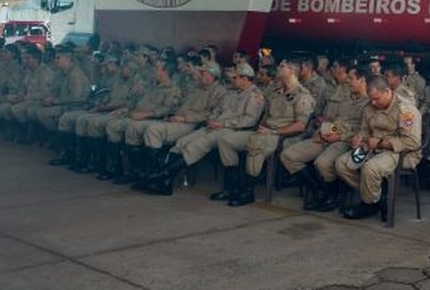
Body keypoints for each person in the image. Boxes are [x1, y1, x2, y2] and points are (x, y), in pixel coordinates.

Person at [145, 64, 265, 197]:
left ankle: (163, 174)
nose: (232, 80)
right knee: (183, 142)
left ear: (245, 79)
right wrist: (213, 120)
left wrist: (223, 123)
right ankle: (165, 183)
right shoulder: (231, 93)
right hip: (215, 126)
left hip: (233, 129)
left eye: (235, 78)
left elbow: (249, 120)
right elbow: (217, 110)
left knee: (198, 144)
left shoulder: (255, 95)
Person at [215, 60, 315, 205]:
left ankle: (248, 191)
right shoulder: (275, 93)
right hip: (264, 132)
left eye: (282, 66)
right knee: (226, 140)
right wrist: (261, 127)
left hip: (282, 136)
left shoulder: (302, 95)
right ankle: (231, 187)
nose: (278, 69)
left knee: (257, 143)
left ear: (292, 71)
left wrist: (274, 131)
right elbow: (266, 116)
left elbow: (300, 126)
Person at [279, 65, 369, 211]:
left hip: (346, 141)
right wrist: (324, 132)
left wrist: (339, 135)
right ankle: (318, 191)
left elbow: (363, 131)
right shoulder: (347, 100)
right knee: (289, 155)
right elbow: (335, 122)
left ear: (362, 80)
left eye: (351, 78)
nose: (348, 81)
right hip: (329, 136)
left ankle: (333, 195)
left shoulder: (370, 103)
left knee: (323, 163)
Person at [335, 74, 422, 219]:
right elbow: (364, 129)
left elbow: (413, 142)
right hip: (371, 148)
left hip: (400, 152)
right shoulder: (369, 106)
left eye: (377, 98)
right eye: (371, 99)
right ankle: (376, 196)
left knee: (370, 168)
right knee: (342, 164)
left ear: (387, 92)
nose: (373, 103)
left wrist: (382, 143)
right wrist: (359, 139)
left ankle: (369, 204)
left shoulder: (406, 110)